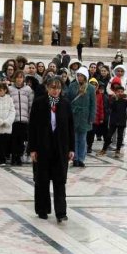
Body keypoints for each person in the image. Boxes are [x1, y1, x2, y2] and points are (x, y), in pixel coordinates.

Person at [28, 77, 75, 222]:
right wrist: (32, 148)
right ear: (47, 88)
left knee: (60, 180)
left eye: (58, 88)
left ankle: (61, 212)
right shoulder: (39, 103)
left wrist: (71, 148)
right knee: (42, 180)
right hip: (42, 147)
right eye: (53, 87)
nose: (55, 90)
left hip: (60, 147)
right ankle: (42, 209)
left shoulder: (65, 104)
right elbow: (32, 127)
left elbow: (70, 127)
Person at [9, 72, 34, 166]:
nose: (19, 79)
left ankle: (19, 156)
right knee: (13, 139)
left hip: (24, 118)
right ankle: (13, 156)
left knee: (21, 139)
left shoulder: (28, 90)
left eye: (21, 77)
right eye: (17, 77)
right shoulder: (10, 89)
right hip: (13, 118)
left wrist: (30, 116)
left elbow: (31, 104)